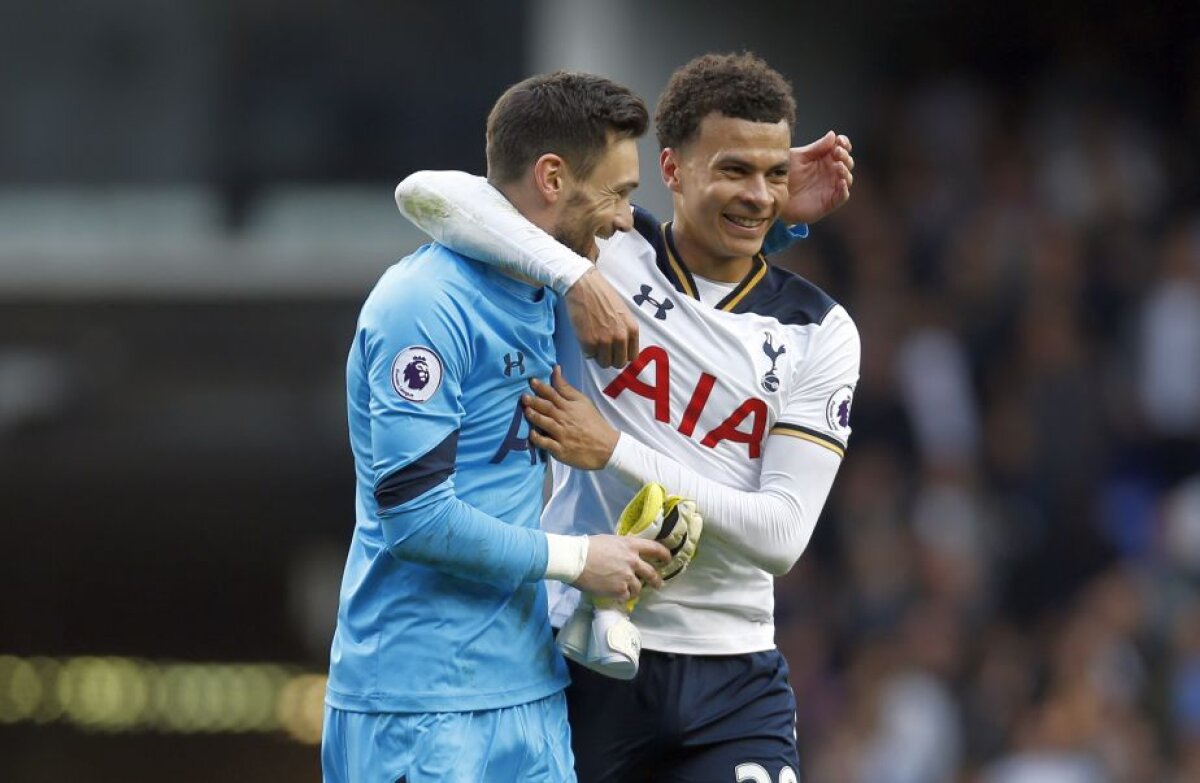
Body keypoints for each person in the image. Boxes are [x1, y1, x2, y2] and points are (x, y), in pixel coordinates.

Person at [396, 52, 858, 782]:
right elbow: (426, 194)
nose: (759, 195)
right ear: (670, 169)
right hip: (583, 649)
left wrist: (612, 448)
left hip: (733, 673)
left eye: (774, 174)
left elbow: (780, 535)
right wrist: (572, 274)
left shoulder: (820, 331)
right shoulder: (608, 247)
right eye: (733, 170)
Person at [323, 70, 676, 783]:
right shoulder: (422, 304)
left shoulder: (551, 291)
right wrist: (581, 559)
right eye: (617, 192)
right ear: (551, 177)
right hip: (418, 703)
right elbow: (415, 520)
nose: (621, 218)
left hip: (529, 693)